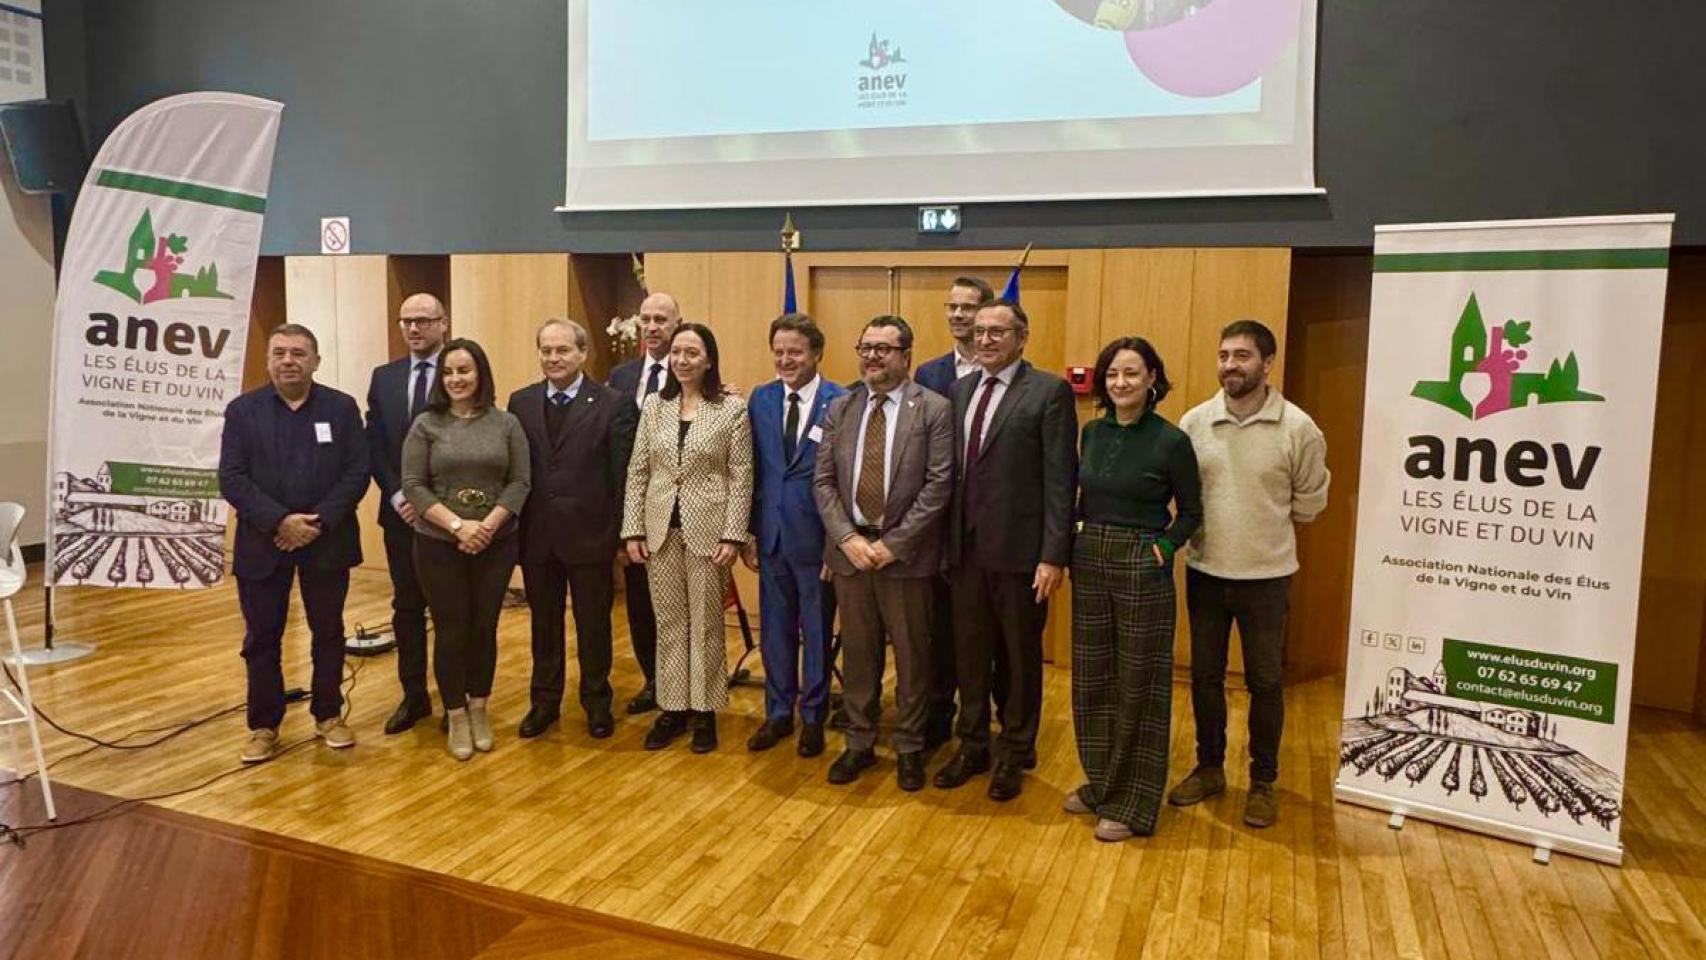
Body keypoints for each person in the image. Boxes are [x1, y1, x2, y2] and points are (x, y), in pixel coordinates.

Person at [1168, 319, 1329, 829]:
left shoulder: (1299, 428)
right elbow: (1183, 494)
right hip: (1206, 572)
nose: (1230, 366)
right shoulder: (1194, 423)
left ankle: (1263, 782)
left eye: (1241, 356)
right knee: (1206, 679)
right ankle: (1210, 767)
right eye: (1223, 356)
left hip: (1267, 578)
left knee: (1264, 683)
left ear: (1267, 363)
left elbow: (1309, 503)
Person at [936, 298, 1077, 801]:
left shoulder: (1048, 392)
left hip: (1021, 556)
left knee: (1019, 660)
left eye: (998, 332)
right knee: (969, 656)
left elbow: (1061, 481)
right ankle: (973, 745)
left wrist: (1054, 555)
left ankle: (1014, 752)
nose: (986, 340)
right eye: (978, 332)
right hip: (965, 553)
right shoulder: (960, 389)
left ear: (1022, 337)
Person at [1066, 337, 1202, 842]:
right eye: (1112, 374)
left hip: (1142, 562)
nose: (1120, 383)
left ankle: (1133, 801)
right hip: (1091, 557)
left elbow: (1191, 512)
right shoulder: (1092, 433)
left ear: (1152, 380)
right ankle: (1103, 783)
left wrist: (1164, 548)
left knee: (1138, 682)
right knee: (1092, 677)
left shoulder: (1171, 441)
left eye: (1131, 373)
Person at [814, 315, 954, 790]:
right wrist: (849, 540)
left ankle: (911, 746)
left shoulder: (932, 409)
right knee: (858, 654)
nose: (872, 357)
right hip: (851, 554)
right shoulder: (840, 408)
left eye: (884, 348)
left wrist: (892, 545)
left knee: (914, 656)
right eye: (866, 347)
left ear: (906, 355)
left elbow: (939, 485)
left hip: (906, 557)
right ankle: (859, 742)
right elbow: (824, 482)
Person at [219, 323, 369, 763]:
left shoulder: (341, 409)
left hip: (328, 540)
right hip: (264, 544)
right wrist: (281, 522)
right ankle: (264, 726)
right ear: (268, 360)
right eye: (280, 353)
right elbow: (232, 478)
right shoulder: (242, 411)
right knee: (262, 637)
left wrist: (316, 522)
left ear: (316, 361)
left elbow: (357, 472)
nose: (289, 360)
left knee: (329, 632)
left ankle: (329, 715)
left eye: (299, 353)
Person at [622, 323, 753, 754]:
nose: (682, 360)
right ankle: (673, 707)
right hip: (660, 530)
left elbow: (741, 475)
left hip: (709, 532)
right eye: (676, 352)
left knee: (707, 624)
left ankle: (705, 711)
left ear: (708, 359)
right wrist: (633, 529)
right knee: (671, 624)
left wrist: (734, 534)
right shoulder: (655, 409)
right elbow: (638, 471)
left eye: (691, 353)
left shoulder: (730, 409)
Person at [401, 338, 531, 761]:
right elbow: (413, 485)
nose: (457, 379)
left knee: (484, 627)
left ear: (481, 374)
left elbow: (519, 482)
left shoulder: (506, 423)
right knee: (452, 627)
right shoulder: (426, 424)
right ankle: (455, 713)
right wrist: (458, 525)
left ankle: (479, 709)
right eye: (449, 372)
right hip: (439, 542)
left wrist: (488, 527)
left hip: (495, 542)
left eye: (465, 370)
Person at [507, 318, 636, 740]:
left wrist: (619, 534)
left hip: (590, 536)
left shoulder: (613, 403)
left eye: (562, 350)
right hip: (538, 537)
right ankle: (544, 702)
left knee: (593, 626)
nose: (553, 358)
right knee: (543, 625)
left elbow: (622, 476)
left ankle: (597, 702)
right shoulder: (520, 402)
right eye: (546, 350)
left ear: (583, 353)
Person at [743, 314, 846, 757]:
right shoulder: (761, 399)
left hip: (817, 540)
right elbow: (751, 470)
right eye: (779, 351)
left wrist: (837, 542)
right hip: (770, 538)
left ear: (817, 354)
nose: (786, 359)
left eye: (795, 352)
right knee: (776, 631)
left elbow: (844, 477)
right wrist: (748, 530)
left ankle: (813, 716)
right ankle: (778, 713)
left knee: (818, 631)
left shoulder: (840, 400)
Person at [912, 275, 993, 747]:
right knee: (937, 634)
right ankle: (938, 718)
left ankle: (986, 726)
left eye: (969, 307)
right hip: (937, 529)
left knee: (986, 639)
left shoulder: (1008, 373)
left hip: (986, 528)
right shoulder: (929, 373)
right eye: (953, 307)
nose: (959, 316)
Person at [365, 292, 448, 735]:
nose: (414, 329)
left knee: (450, 610)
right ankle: (413, 695)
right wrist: (398, 496)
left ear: (443, 324)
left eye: (423, 320)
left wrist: (435, 508)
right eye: (406, 321)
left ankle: (454, 697)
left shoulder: (460, 371)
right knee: (407, 608)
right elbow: (375, 445)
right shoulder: (385, 377)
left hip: (447, 519)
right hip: (399, 516)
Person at [606, 291, 681, 714]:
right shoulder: (620, 376)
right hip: (634, 507)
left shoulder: (693, 370)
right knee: (640, 603)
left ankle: (681, 686)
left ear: (677, 323)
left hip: (679, 510)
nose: (652, 327)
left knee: (676, 604)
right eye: (646, 319)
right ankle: (653, 680)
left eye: (661, 320)